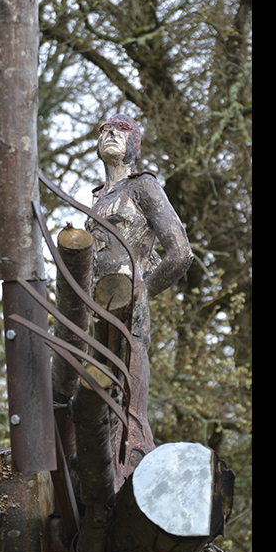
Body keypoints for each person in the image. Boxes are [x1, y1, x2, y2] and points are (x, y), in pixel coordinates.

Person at [85, 114, 193, 488]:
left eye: (122, 129)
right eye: (104, 129)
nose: (111, 133)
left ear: (135, 142)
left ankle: (134, 477)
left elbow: (180, 253)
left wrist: (141, 289)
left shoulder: (142, 186)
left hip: (128, 311)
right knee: (92, 400)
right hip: (91, 314)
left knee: (128, 402)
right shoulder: (97, 199)